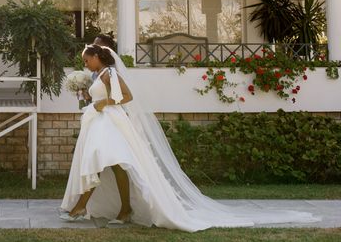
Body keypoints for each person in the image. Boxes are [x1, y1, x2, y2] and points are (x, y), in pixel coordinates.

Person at [59, 44, 319, 231]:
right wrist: (86, 96)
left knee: (105, 162)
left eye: (86, 59)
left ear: (96, 57)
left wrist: (104, 104)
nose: (85, 64)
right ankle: (120, 209)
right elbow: (98, 97)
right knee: (113, 165)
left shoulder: (111, 74)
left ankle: (84, 207)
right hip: (100, 123)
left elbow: (126, 98)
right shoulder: (97, 75)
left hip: (110, 122)